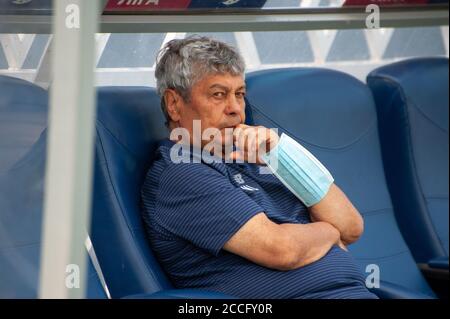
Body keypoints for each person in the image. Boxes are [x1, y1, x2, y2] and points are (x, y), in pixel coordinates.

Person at [141, 35, 378, 299]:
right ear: (174, 104)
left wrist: (281, 153)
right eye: (218, 95)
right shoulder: (182, 172)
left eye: (239, 95)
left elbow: (351, 227)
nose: (235, 110)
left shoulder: (252, 156)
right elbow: (281, 250)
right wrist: (330, 232)